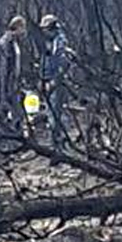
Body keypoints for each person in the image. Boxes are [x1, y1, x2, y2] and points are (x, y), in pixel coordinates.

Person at [39, 14, 73, 151]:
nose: (44, 32)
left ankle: (60, 145)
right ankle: (56, 144)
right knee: (51, 113)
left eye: (46, 29)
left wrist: (53, 82)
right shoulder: (50, 42)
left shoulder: (60, 42)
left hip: (57, 83)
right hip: (48, 80)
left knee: (57, 114)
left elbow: (63, 64)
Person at [0, 15, 26, 130]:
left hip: (13, 82)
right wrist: (5, 86)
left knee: (16, 109)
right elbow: (3, 66)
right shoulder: (5, 42)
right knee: (2, 108)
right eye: (23, 28)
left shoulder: (14, 42)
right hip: (4, 82)